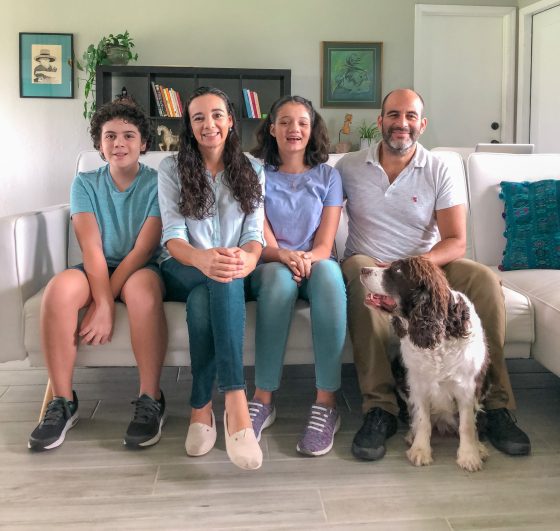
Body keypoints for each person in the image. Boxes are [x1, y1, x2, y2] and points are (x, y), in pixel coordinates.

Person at [336, 88, 531, 461]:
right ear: (380, 121)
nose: (402, 123)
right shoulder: (349, 166)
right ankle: (381, 408)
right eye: (394, 115)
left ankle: (495, 404)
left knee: (483, 280)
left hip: (427, 266)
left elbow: (456, 240)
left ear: (422, 124)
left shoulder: (440, 168)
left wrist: (416, 269)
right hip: (370, 262)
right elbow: (322, 210)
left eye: (410, 116)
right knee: (360, 275)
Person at [28, 99, 168, 451]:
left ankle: (150, 398)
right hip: (96, 266)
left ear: (143, 143)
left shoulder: (158, 183)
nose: (119, 143)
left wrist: (105, 301)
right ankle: (62, 401)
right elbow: (91, 249)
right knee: (59, 290)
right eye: (110, 136)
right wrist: (102, 300)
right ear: (99, 144)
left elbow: (143, 250)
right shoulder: (84, 184)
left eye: (128, 136)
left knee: (142, 292)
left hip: (140, 266)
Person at [158, 86, 265, 470]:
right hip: (183, 265)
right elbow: (173, 236)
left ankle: (201, 407)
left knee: (216, 287)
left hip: (232, 271)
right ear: (189, 125)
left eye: (217, 115)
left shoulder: (253, 169)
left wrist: (248, 259)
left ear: (230, 120)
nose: (209, 124)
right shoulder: (171, 168)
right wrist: (202, 259)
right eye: (198, 117)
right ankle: (236, 403)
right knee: (219, 276)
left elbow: (254, 234)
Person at [248, 96, 347, 456]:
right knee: (278, 280)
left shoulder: (329, 176)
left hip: (315, 260)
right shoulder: (256, 173)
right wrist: (284, 256)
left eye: (302, 122)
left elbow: (325, 242)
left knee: (331, 277)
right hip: (271, 261)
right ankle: (262, 398)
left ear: (312, 129)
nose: (294, 129)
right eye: (285, 122)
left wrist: (306, 259)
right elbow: (259, 234)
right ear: (272, 129)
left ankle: (326, 402)